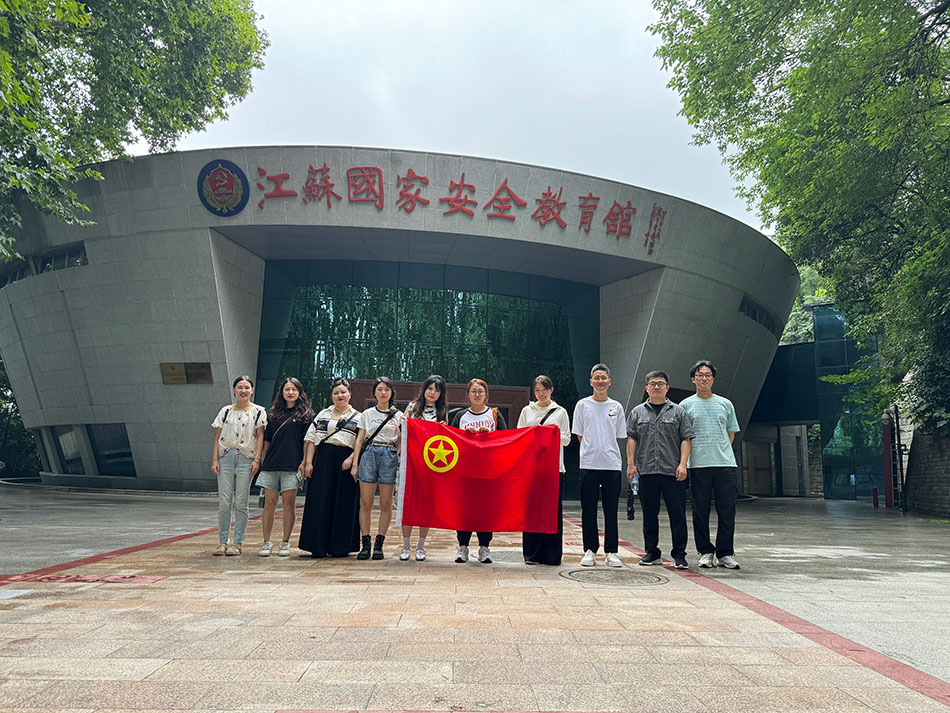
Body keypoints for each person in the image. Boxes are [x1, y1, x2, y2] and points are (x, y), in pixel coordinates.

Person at [626, 370, 695, 569]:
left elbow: (686, 439)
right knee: (649, 514)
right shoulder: (637, 412)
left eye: (660, 383)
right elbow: (632, 439)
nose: (657, 387)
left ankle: (679, 554)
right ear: (646, 387)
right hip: (646, 471)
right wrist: (631, 465)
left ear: (667, 387)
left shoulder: (678, 411)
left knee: (677, 514)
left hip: (673, 472)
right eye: (653, 383)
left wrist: (683, 464)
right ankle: (652, 552)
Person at [680, 360, 741, 569]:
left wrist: (719, 450)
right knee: (700, 510)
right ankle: (705, 551)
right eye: (699, 375)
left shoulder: (726, 403)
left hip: (725, 464)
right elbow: (683, 437)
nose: (703, 378)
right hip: (697, 465)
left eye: (707, 375)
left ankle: (726, 553)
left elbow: (730, 432)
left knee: (727, 510)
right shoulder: (686, 405)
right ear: (693, 379)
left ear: (713, 379)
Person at [297, 378, 361, 558]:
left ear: (349, 394)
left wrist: (351, 459)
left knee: (344, 502)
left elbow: (361, 443)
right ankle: (317, 545)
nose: (340, 396)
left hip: (345, 461)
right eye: (336, 393)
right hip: (323, 459)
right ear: (331, 395)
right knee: (320, 500)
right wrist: (308, 462)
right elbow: (311, 439)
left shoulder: (358, 416)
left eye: (343, 392)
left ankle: (340, 546)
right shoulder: (322, 414)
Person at [572, 364, 627, 567]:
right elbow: (579, 434)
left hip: (612, 465)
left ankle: (611, 551)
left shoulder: (617, 407)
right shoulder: (582, 405)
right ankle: (589, 550)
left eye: (604, 378)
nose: (600, 381)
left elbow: (619, 436)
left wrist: (605, 450)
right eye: (597, 378)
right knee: (588, 509)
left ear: (609, 381)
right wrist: (592, 450)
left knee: (611, 510)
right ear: (591, 382)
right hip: (589, 464)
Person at [450, 378, 508, 564]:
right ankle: (463, 547)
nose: (477, 394)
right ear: (468, 395)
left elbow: (504, 441)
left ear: (486, 395)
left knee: (485, 510)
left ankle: (485, 548)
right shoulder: (460, 416)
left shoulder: (494, 415)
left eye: (480, 391)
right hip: (465, 471)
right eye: (473, 391)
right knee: (464, 510)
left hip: (488, 471)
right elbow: (451, 442)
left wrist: (488, 436)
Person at [211, 375, 267, 556]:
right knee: (224, 502)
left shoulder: (259, 411)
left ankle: (238, 542)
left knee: (241, 502)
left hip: (246, 458)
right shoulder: (226, 410)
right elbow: (218, 437)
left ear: (252, 390)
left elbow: (260, 437)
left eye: (247, 387)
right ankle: (222, 542)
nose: (243, 391)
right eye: (240, 387)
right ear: (234, 390)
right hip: (226, 456)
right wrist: (214, 460)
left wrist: (257, 459)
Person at [517, 375, 571, 566]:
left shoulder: (560, 412)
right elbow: (519, 435)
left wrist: (551, 433)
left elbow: (567, 439)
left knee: (551, 512)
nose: (541, 394)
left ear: (551, 390)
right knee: (531, 511)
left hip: (553, 469)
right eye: (537, 390)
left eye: (544, 390)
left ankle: (551, 555)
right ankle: (531, 554)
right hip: (532, 468)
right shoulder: (526, 411)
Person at [257, 378, 312, 558]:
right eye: (287, 389)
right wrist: (263, 460)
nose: (290, 392)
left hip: (292, 466)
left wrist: (305, 462)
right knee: (269, 505)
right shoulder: (273, 414)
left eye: (294, 389)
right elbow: (267, 440)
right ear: (281, 392)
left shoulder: (306, 415)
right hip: (271, 465)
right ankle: (266, 542)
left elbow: (308, 441)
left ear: (299, 392)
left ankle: (285, 542)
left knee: (289, 505)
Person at [351, 377, 403, 560]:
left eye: (387, 389)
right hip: (369, 455)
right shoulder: (366, 414)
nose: (383, 393)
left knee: (386, 503)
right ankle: (365, 542)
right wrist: (355, 463)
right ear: (374, 392)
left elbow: (401, 440)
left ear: (391, 393)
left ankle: (379, 543)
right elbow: (359, 439)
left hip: (388, 455)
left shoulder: (399, 416)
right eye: (380, 389)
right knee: (366, 502)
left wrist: (394, 453)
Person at [401, 375, 448, 561]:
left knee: (426, 505)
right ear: (424, 389)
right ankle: (406, 547)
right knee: (407, 504)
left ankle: (421, 547)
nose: (433, 393)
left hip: (431, 465)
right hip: (411, 462)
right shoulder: (413, 407)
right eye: (430, 388)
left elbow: (446, 439)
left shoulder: (442, 410)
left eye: (437, 390)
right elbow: (402, 426)